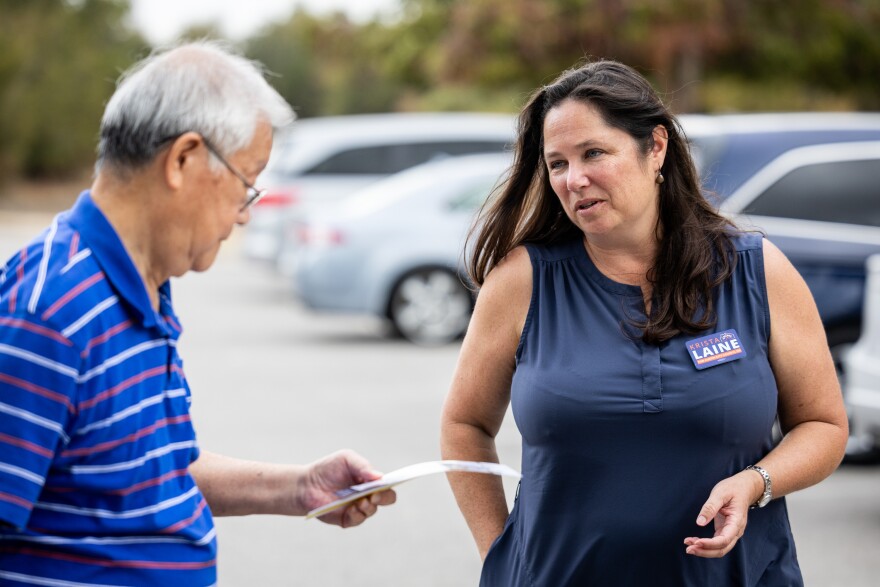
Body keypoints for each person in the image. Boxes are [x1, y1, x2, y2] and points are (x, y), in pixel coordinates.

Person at [440, 59, 848, 586]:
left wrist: (757, 482)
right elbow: (463, 426)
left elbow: (825, 426)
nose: (574, 179)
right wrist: (499, 555)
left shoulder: (756, 271)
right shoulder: (523, 281)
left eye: (594, 153)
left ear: (655, 147)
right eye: (557, 163)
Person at [0, 41, 395, 586]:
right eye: (246, 185)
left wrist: (298, 487)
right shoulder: (50, 309)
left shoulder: (142, 286)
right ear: (184, 159)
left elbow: (151, 469)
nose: (244, 216)